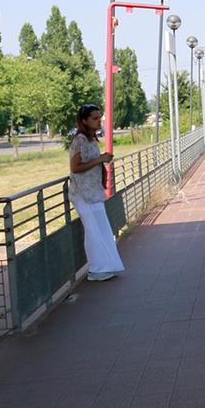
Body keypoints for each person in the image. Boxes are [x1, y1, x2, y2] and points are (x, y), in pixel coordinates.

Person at [69, 104, 124, 282]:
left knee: (102, 229)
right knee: (93, 231)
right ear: (84, 120)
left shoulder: (91, 139)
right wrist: (100, 160)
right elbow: (75, 167)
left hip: (94, 191)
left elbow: (89, 163)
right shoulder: (80, 140)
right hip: (82, 193)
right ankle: (96, 269)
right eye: (94, 118)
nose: (98, 121)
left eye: (99, 117)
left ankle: (107, 265)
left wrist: (101, 168)